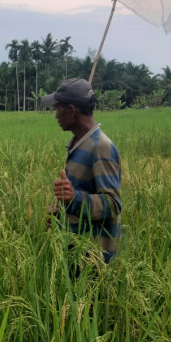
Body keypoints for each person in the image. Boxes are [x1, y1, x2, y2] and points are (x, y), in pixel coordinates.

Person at [41, 78, 121, 263]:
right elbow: (81, 193)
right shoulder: (78, 143)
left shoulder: (101, 147)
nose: (55, 116)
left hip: (94, 257)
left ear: (71, 110)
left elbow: (113, 204)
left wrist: (73, 198)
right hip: (76, 249)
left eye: (57, 108)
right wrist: (61, 213)